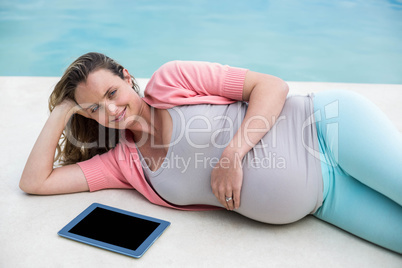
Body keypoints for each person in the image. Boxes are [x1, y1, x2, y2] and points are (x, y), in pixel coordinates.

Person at [20, 52, 402, 254]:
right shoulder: (123, 163)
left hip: (327, 129)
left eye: (111, 93)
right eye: (93, 109)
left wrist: (232, 154)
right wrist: (62, 109)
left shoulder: (172, 80)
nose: (111, 111)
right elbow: (36, 182)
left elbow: (271, 87)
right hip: (324, 200)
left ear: (125, 75)